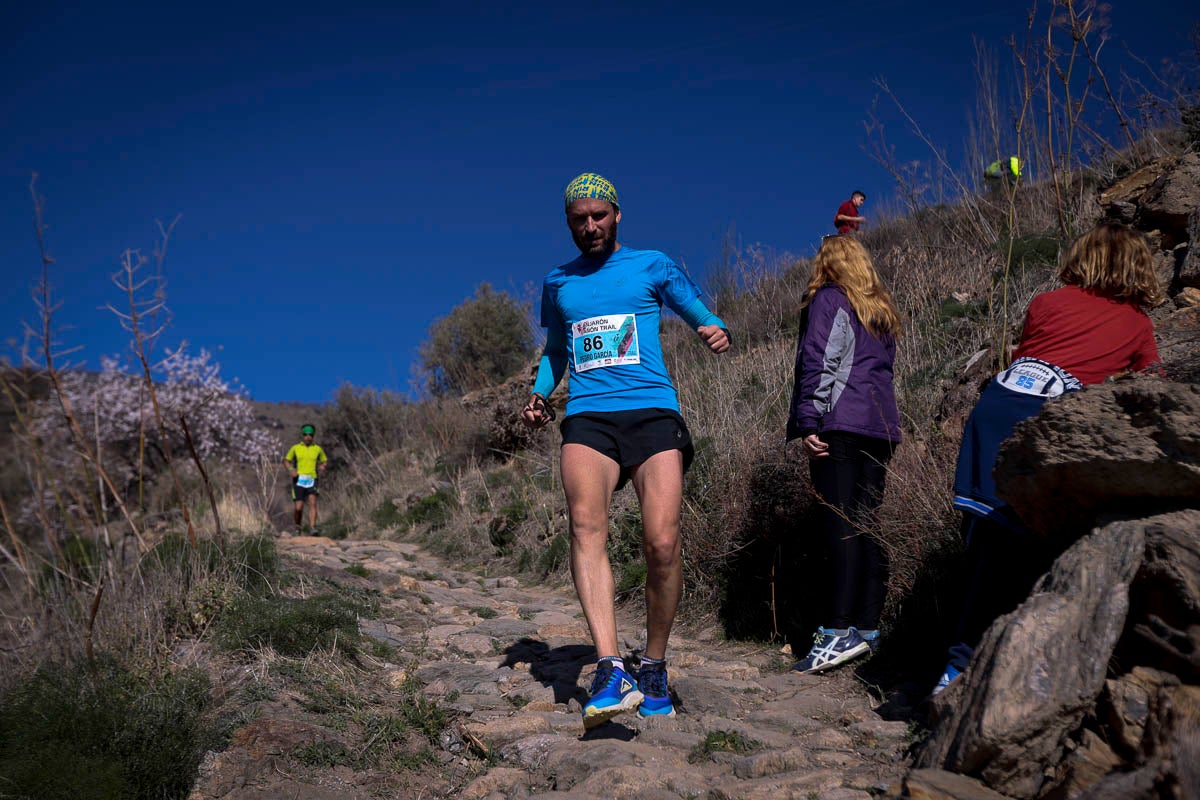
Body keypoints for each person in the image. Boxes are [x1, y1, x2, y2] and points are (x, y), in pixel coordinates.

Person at [520, 172, 731, 728]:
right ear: (568, 223)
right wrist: (541, 394)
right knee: (586, 529)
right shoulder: (558, 282)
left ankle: (654, 663)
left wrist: (711, 327)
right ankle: (611, 666)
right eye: (578, 219)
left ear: (617, 215)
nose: (589, 226)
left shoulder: (650, 264)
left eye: (598, 216)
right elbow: (556, 349)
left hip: (653, 414)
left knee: (662, 542)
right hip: (588, 419)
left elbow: (692, 304)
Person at [935, 222, 1162, 695]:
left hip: (995, 408)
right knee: (1023, 555)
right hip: (1045, 426)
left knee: (984, 546)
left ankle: (956, 666)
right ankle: (981, 676)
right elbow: (1153, 387)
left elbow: (1029, 351)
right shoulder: (1138, 324)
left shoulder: (1047, 302)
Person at [785, 235, 903, 673]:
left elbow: (819, 358)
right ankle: (868, 629)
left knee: (840, 525)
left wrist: (809, 422)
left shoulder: (828, 299)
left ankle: (836, 633)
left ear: (828, 263)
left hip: (840, 425)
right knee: (867, 525)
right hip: (880, 427)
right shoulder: (880, 310)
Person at [284, 424, 328, 536]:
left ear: (313, 436)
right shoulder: (295, 448)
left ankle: (313, 528)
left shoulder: (317, 449)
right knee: (299, 507)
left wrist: (323, 466)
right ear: (302, 435)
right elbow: (286, 460)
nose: (308, 437)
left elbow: (324, 460)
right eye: (305, 434)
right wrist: (291, 470)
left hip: (312, 479)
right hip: (299, 480)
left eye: (310, 435)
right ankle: (298, 528)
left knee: (313, 503)